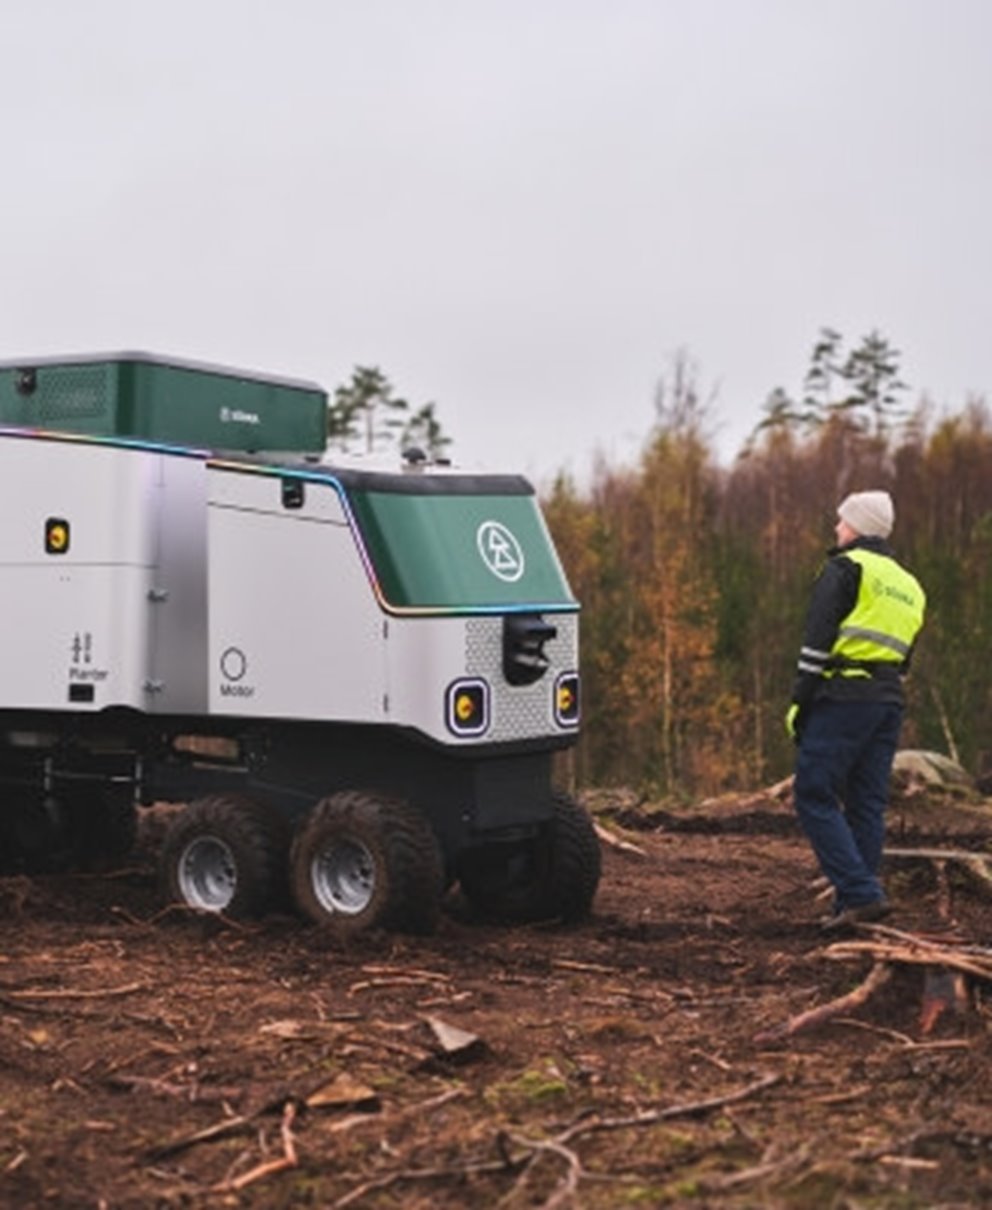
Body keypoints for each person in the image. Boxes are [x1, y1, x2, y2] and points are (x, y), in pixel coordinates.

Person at [786, 489, 926, 930]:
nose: (836, 528)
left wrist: (800, 701)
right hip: (888, 700)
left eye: (842, 521)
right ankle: (856, 907)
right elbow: (905, 658)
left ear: (859, 526)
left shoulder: (845, 567)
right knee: (866, 803)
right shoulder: (910, 585)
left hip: (843, 694)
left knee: (813, 793)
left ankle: (861, 893)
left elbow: (816, 642)